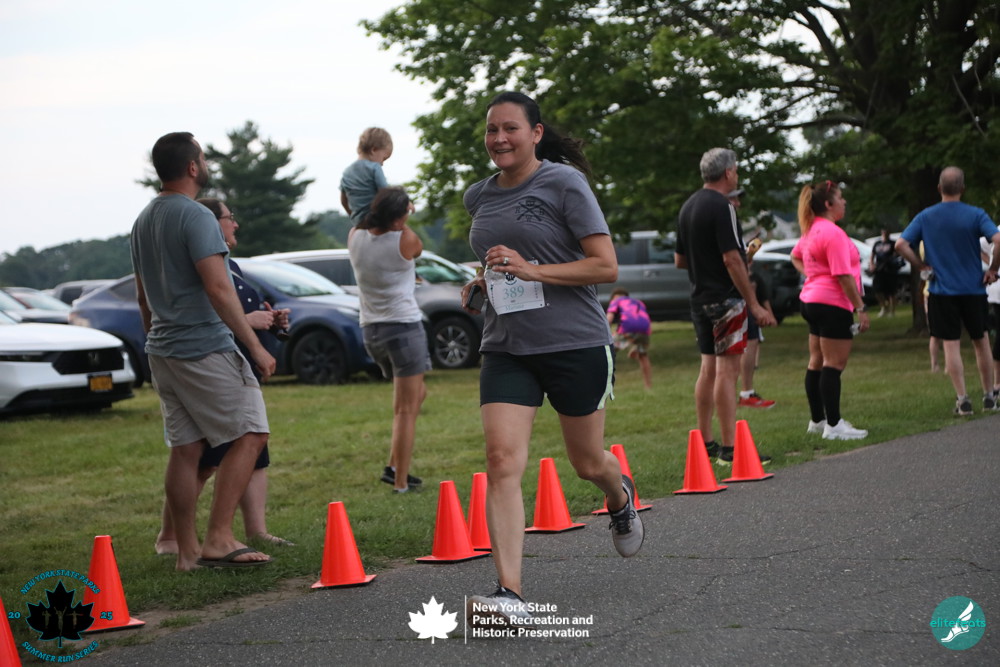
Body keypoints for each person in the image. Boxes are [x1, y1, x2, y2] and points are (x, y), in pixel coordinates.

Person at [461, 91, 643, 627]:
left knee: (587, 464)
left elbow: (604, 266)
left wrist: (531, 270)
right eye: (491, 129)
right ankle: (509, 594)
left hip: (573, 342)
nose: (499, 138)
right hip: (506, 346)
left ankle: (619, 495)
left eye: (510, 128)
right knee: (501, 460)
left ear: (536, 133)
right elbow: (501, 263)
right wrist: (483, 283)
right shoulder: (478, 196)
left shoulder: (564, 183)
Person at [131, 132, 275, 570]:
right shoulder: (196, 215)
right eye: (204, 158)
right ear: (193, 167)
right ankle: (219, 537)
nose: (207, 164)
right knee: (251, 433)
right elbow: (218, 287)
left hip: (164, 350)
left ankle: (186, 552)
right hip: (204, 347)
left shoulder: (143, 220)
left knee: (186, 449)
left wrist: (156, 341)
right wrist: (255, 346)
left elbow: (143, 296)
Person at [155, 198, 293, 554]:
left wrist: (270, 320)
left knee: (253, 450)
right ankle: (177, 537)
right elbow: (205, 314)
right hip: (213, 365)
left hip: (233, 363)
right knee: (206, 457)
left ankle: (255, 530)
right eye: (230, 218)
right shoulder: (201, 265)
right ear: (210, 223)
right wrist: (250, 326)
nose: (235, 224)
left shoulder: (230, 266)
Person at [675, 149, 776, 466]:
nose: (737, 174)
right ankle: (730, 449)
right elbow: (732, 259)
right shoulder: (723, 206)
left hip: (699, 298)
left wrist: (707, 263)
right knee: (727, 372)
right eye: (736, 170)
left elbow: (680, 260)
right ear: (728, 173)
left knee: (707, 369)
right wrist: (754, 303)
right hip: (726, 300)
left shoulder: (688, 206)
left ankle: (706, 442)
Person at [895, 166, 1000, 415]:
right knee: (981, 341)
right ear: (963, 188)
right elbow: (997, 240)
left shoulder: (925, 216)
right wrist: (993, 269)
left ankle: (963, 400)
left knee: (951, 345)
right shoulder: (976, 214)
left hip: (941, 290)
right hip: (974, 288)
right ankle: (989, 396)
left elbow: (901, 244)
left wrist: (921, 266)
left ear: (939, 188)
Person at [347, 186, 429, 493]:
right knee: (405, 410)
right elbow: (417, 248)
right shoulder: (405, 240)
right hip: (404, 328)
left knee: (417, 395)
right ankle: (400, 482)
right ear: (398, 218)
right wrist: (406, 216)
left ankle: (393, 466)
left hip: (372, 331)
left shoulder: (355, 236)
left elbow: (362, 216)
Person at [790, 180, 870, 440]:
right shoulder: (832, 233)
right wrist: (860, 307)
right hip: (832, 303)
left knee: (816, 361)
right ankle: (834, 426)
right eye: (840, 197)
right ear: (828, 204)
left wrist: (814, 275)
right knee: (834, 364)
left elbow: (795, 255)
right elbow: (843, 276)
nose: (844, 202)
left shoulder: (811, 229)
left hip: (811, 301)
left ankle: (818, 420)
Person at [729, 188, 775, 409]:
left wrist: (747, 255)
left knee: (741, 345)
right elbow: (733, 264)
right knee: (747, 343)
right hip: (735, 296)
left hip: (726, 295)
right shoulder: (725, 223)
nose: (738, 203)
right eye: (733, 199)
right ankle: (745, 392)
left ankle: (742, 392)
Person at [340, 127, 393, 226]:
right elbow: (385, 194)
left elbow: (343, 201)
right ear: (374, 150)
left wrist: (353, 216)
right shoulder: (374, 168)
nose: (382, 163)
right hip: (376, 221)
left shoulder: (346, 172)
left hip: (359, 223)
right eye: (384, 158)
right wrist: (405, 204)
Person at [606, 288, 653, 389]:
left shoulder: (616, 301)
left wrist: (604, 333)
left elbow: (609, 319)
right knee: (643, 356)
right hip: (645, 329)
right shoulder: (638, 302)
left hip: (627, 329)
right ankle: (648, 386)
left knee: (606, 352)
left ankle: (603, 384)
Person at [868, 229, 901, 317]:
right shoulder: (877, 243)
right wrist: (872, 264)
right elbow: (872, 255)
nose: (885, 233)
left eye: (886, 231)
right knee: (877, 289)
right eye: (883, 231)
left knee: (891, 291)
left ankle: (892, 310)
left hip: (890, 270)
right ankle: (883, 307)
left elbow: (897, 254)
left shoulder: (893, 243)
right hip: (879, 269)